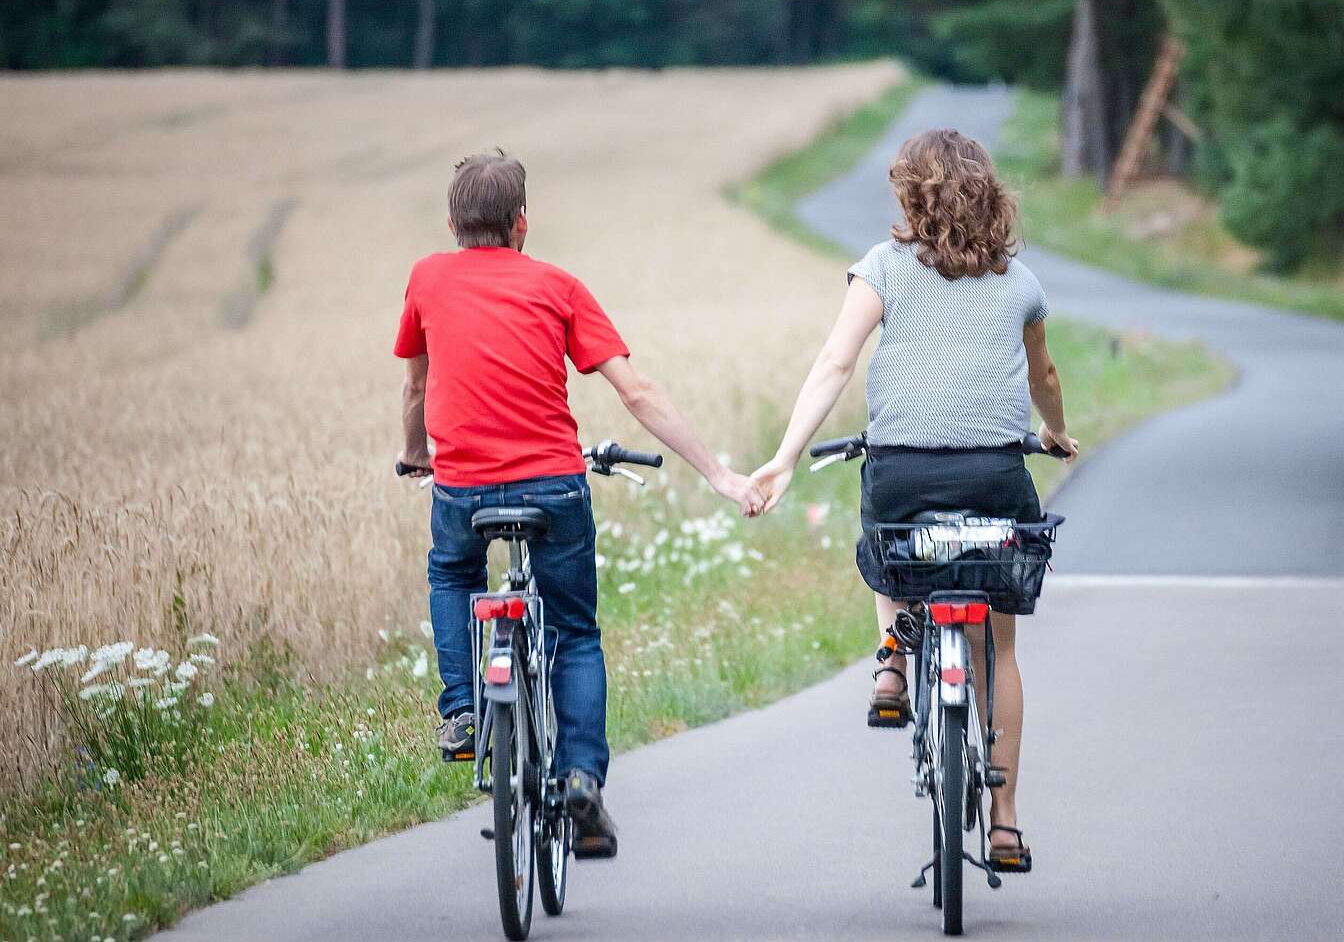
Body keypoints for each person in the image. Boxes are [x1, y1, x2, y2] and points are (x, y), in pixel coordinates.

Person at [395, 149, 762, 859]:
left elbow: (416, 388)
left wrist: (418, 457)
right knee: (574, 631)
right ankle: (583, 779)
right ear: (523, 224)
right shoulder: (559, 286)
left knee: (453, 574)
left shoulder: (426, 278)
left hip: (462, 487)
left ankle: (464, 712)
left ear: (451, 223)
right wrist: (719, 473)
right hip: (553, 486)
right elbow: (636, 391)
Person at [750, 128, 1078, 874]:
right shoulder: (1020, 283)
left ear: (910, 194)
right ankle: (1004, 823)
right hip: (995, 479)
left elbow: (837, 361)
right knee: (998, 651)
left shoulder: (882, 269)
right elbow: (1045, 378)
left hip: (903, 478)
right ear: (989, 195)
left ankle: (892, 659)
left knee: (884, 544)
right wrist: (1054, 434)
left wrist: (784, 456)